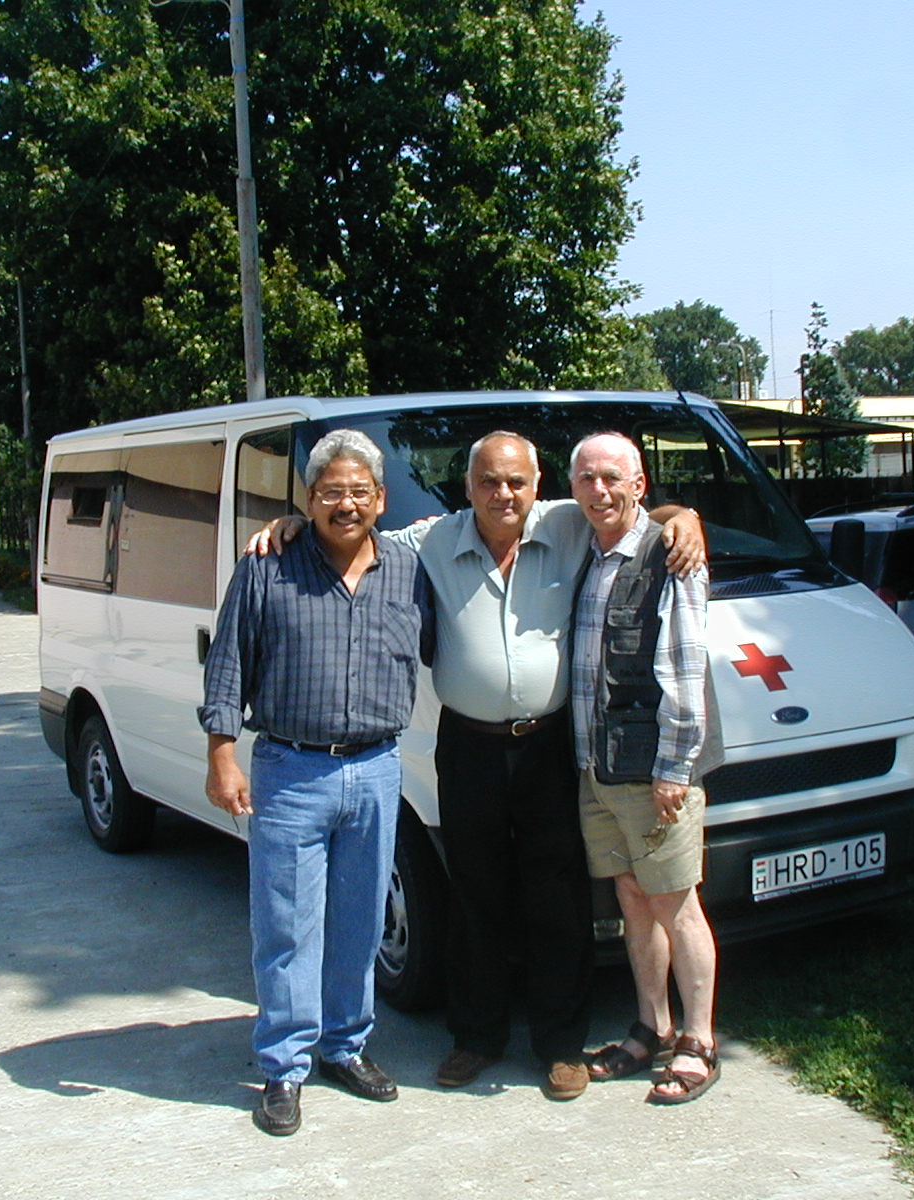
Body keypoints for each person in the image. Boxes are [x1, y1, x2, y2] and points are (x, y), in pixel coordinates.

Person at [248, 431, 704, 1102]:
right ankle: (476, 1038)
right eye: (489, 481)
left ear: (538, 484)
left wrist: (682, 517)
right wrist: (295, 521)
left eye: (516, 482)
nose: (503, 495)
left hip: (549, 747)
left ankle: (558, 1045)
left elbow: (633, 512)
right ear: (468, 488)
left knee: (558, 899)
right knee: (474, 895)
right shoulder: (431, 540)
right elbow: (349, 529)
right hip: (468, 747)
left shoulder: (570, 520)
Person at [198, 429, 434, 1137]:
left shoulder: (407, 568)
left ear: (381, 500)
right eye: (330, 491)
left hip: (376, 768)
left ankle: (344, 1046)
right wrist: (221, 755)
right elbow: (228, 665)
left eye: (360, 491)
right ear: (307, 499)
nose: (346, 503)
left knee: (358, 923)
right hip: (292, 769)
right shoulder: (269, 564)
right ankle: (283, 1065)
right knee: (287, 926)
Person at [568, 431, 723, 1106]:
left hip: (653, 771)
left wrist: (674, 766)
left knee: (675, 903)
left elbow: (686, 669)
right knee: (633, 901)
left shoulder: (671, 556)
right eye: (586, 479)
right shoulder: (582, 550)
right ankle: (650, 1028)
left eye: (612, 478)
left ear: (639, 485)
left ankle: (699, 1042)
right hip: (596, 770)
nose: (598, 490)